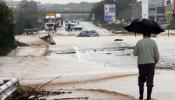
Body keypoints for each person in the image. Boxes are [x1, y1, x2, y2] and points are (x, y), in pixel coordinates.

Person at [133, 33, 159, 100]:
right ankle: (148, 97)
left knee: (141, 79)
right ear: (150, 35)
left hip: (141, 64)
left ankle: (141, 97)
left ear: (143, 35)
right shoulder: (153, 42)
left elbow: (135, 53)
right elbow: (157, 54)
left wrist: (140, 51)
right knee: (150, 80)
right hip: (151, 64)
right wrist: (155, 61)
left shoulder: (139, 42)